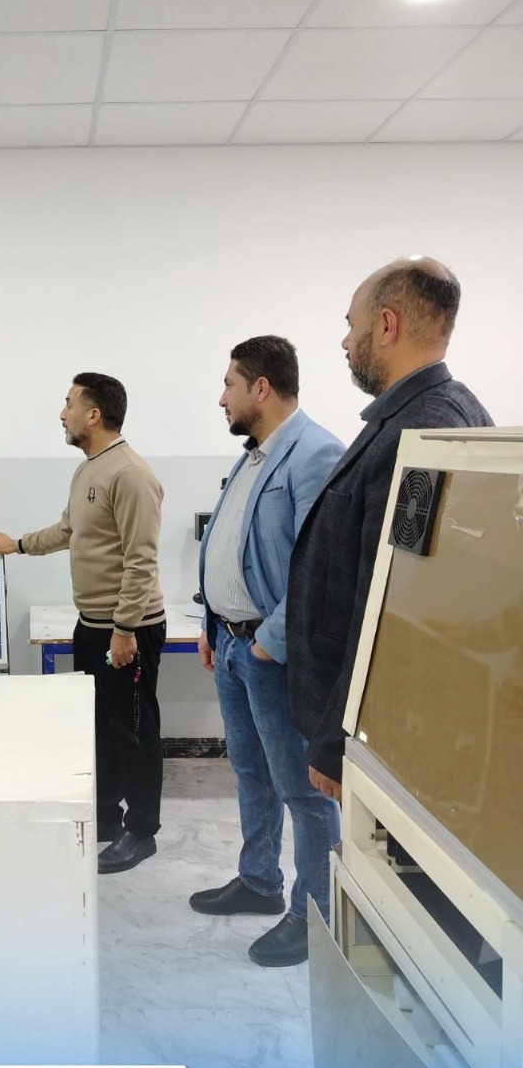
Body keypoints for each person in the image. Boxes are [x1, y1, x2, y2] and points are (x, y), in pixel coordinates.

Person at [288, 257, 493, 802]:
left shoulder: (425, 430)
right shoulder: (415, 416)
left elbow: (392, 609)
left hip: (382, 735)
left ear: (385, 325)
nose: (344, 341)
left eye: (350, 324)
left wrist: (337, 739)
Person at [189, 338, 345, 967]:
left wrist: (265, 646)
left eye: (229, 383)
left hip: (270, 655)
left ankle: (315, 916)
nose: (220, 397)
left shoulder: (316, 453)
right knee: (251, 771)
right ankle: (258, 881)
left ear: (261, 387)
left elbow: (319, 571)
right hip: (231, 643)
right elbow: (230, 547)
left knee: (303, 792)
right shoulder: (252, 457)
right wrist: (213, 623)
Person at [0, 373, 165, 875]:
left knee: (134, 731)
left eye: (68, 404)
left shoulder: (130, 474)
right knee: (101, 728)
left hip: (127, 629)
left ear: (93, 414)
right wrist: (18, 544)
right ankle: (105, 818)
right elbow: (69, 530)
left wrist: (125, 630)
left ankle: (142, 832)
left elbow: (141, 560)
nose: (61, 413)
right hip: (92, 623)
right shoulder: (89, 469)